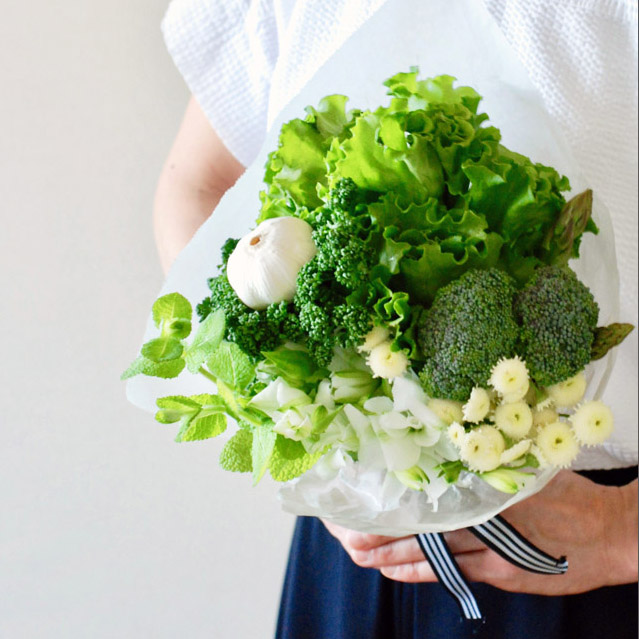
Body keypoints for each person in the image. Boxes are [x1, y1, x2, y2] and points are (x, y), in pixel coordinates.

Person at [154, 1, 638, 636]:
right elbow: (199, 184)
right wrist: (310, 438)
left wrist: (623, 529)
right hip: (358, 550)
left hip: (591, 550)